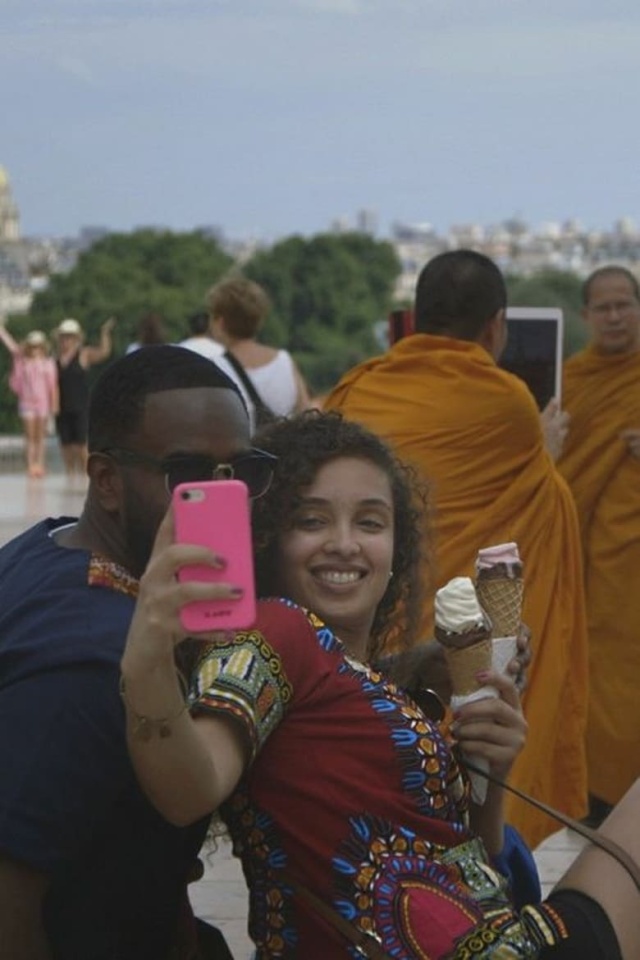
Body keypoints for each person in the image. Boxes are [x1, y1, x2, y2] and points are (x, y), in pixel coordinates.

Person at [120, 409, 637, 960]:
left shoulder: (367, 680)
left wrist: (492, 773)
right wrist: (146, 658)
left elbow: (472, 868)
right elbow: (190, 789)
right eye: (312, 520)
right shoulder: (275, 631)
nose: (344, 544)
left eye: (370, 523)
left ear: (396, 551)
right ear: (268, 536)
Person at [323, 249, 589, 849]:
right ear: (495, 326)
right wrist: (546, 451)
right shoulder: (509, 403)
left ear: (414, 319)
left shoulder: (359, 388)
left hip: (368, 624)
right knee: (457, 785)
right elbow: (539, 500)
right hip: (458, 643)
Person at [0, 346, 257, 959]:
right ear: (107, 481)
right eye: (186, 473)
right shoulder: (94, 664)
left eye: (242, 471)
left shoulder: (53, 543)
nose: (223, 496)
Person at [557, 265, 640, 826]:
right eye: (603, 307)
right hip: (577, 551)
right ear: (585, 316)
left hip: (630, 554)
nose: (615, 316)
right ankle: (598, 791)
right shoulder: (571, 381)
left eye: (625, 304)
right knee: (591, 664)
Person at [207, 275, 311, 420]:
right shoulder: (284, 361)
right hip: (280, 442)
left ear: (220, 322)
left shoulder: (213, 368)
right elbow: (306, 413)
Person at [54, 315, 116, 482]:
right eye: (63, 337)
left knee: (81, 445)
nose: (66, 340)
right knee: (66, 445)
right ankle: (70, 476)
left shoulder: (83, 354)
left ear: (76, 338)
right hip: (61, 407)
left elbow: (103, 352)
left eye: (69, 336)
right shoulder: (55, 359)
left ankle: (86, 478)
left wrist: (105, 333)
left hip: (80, 406)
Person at [0, 320, 58, 477]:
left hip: (43, 403)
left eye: (38, 345)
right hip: (27, 403)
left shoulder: (48, 363)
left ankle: (39, 463)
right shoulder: (23, 361)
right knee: (30, 436)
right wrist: (2, 330)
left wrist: (54, 405)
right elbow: (11, 346)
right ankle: (31, 464)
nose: (35, 349)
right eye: (32, 345)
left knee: (40, 437)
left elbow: (52, 386)